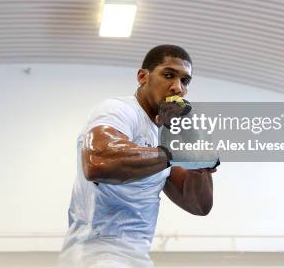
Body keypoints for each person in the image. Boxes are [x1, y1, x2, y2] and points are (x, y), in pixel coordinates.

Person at [59, 45, 217, 268]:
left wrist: (191, 139)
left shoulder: (165, 137)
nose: (177, 88)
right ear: (143, 76)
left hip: (137, 257)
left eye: (185, 81)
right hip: (96, 254)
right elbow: (98, 162)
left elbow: (198, 205)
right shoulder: (118, 110)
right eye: (169, 75)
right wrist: (174, 154)